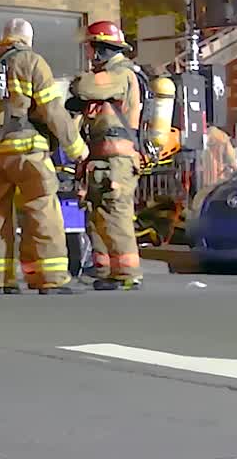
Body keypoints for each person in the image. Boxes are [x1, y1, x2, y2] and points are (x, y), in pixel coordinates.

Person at [0, 18, 86, 295]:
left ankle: (0, 279)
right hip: (25, 150)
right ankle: (49, 278)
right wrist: (76, 147)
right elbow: (52, 109)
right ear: (26, 39)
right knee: (41, 210)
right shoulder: (31, 62)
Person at [68, 20, 144, 291]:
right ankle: (107, 269)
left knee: (115, 212)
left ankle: (126, 272)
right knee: (97, 213)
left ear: (101, 48)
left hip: (117, 160)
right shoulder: (110, 75)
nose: (88, 54)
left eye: (90, 48)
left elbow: (84, 87)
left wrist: (78, 82)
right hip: (101, 160)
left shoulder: (119, 73)